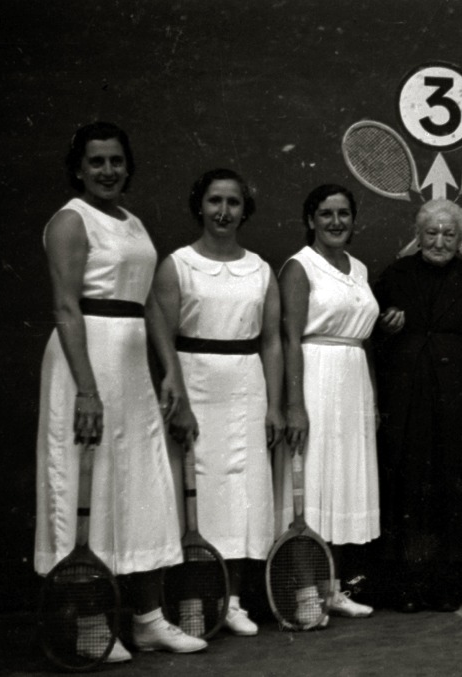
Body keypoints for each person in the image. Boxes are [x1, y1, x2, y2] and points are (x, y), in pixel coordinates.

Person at [34, 121, 206, 661]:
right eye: (96, 162)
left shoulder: (133, 223)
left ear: (127, 166)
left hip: (132, 370)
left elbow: (148, 303)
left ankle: (149, 621)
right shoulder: (69, 220)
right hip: (84, 363)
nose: (107, 171)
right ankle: (91, 626)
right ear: (79, 169)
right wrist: (86, 390)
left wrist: (171, 372)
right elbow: (65, 307)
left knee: (144, 486)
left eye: (116, 161)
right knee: (89, 489)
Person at [153, 168, 282, 637]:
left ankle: (232, 602)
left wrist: (274, 405)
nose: (223, 211)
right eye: (214, 201)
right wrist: (179, 396)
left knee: (243, 498)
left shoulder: (261, 270)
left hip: (247, 388)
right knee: (195, 498)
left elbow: (271, 342)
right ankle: (191, 603)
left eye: (233, 202)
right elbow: (163, 336)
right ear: (200, 206)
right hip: (195, 387)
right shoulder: (177, 265)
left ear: (244, 210)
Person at [373, 199, 462, 613]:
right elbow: (372, 339)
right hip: (409, 406)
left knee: (456, 496)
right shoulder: (395, 276)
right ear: (418, 236)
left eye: (449, 234)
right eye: (431, 232)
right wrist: (386, 326)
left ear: (460, 239)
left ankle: (449, 583)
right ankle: (411, 584)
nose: (439, 241)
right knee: (411, 495)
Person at [277, 184, 379, 622]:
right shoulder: (299, 267)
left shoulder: (359, 268)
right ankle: (305, 596)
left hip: (353, 385)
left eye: (343, 214)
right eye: (326, 213)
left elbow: (362, 340)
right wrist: (295, 405)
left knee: (339, 488)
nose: (336, 222)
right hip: (315, 382)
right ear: (310, 220)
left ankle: (331, 590)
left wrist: (372, 398)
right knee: (311, 489)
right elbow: (289, 340)